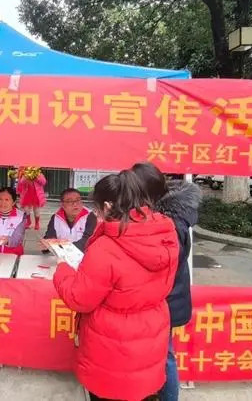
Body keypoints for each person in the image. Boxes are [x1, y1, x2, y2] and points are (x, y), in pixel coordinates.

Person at [53, 169, 179, 401]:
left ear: (108, 206)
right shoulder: (165, 233)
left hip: (112, 345)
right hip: (151, 335)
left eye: (97, 209)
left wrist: (62, 270)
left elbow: (79, 298)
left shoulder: (106, 248)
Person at [133, 164, 202, 401]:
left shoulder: (170, 222)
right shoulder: (166, 215)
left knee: (165, 356)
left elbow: (162, 263)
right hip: (163, 299)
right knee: (157, 354)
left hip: (167, 301)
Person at [41, 188, 97, 254]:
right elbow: (50, 237)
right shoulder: (56, 218)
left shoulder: (90, 216)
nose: (75, 204)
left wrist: (62, 246)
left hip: (85, 256)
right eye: (70, 201)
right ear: (62, 205)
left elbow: (87, 240)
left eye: (78, 200)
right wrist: (46, 246)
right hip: (62, 257)